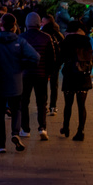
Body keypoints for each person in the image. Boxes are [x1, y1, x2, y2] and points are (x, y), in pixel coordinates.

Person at [0, 14, 39, 153]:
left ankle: (1, 144)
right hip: (16, 82)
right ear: (14, 26)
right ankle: (15, 132)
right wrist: (21, 65)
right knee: (16, 109)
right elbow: (35, 57)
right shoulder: (20, 42)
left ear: (1, 26)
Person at [22, 13, 57, 142]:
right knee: (41, 102)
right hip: (41, 74)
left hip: (25, 74)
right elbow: (51, 58)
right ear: (39, 23)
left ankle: (25, 129)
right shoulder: (46, 37)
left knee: (24, 102)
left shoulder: (21, 37)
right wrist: (49, 73)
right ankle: (42, 127)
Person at [58, 23, 93, 139]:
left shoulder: (66, 41)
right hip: (84, 76)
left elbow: (60, 58)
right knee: (81, 105)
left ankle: (66, 127)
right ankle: (80, 131)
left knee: (68, 104)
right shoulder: (87, 41)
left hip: (70, 76)